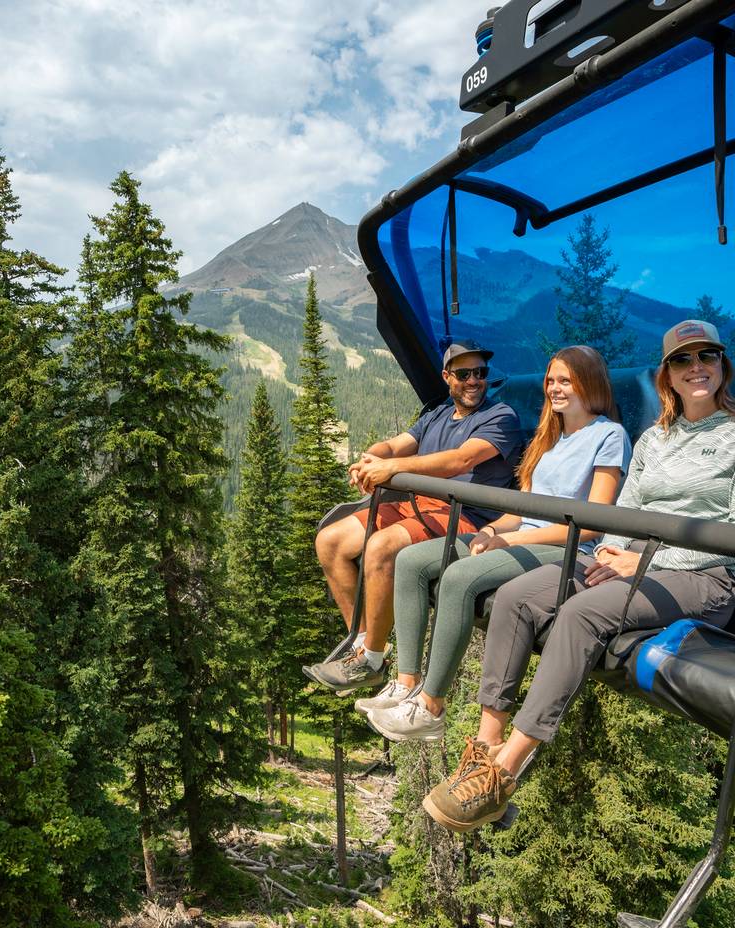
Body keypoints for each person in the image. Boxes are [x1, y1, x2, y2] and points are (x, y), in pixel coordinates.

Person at [421, 320, 735, 833]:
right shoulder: (654, 439)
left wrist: (647, 562)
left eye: (708, 357)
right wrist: (612, 550)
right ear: (668, 377)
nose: (696, 367)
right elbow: (625, 510)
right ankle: (485, 745)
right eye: (683, 360)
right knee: (519, 596)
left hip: (705, 573)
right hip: (628, 556)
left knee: (582, 612)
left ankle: (504, 772)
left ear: (723, 367)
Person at [361, 345, 631, 740]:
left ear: (589, 383)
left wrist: (508, 541)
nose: (556, 389)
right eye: (551, 381)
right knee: (412, 561)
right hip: (521, 535)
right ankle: (406, 682)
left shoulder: (608, 435)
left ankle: (431, 706)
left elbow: (590, 524)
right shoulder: (547, 438)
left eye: (566, 381)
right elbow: (519, 509)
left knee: (459, 578)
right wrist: (493, 531)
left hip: (565, 547)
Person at [308, 339, 523, 692]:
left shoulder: (500, 418)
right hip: (419, 507)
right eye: (464, 373)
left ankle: (371, 661)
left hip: (463, 516)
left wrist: (390, 468)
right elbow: (394, 445)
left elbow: (460, 461)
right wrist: (370, 459)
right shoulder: (437, 414)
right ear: (446, 377)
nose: (474, 381)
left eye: (480, 373)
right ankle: (363, 644)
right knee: (330, 541)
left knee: (381, 546)